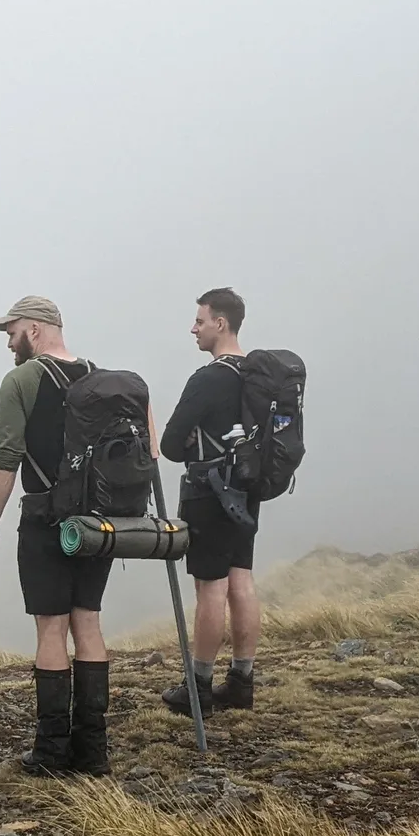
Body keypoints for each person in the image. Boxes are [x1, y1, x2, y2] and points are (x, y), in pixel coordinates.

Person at [0, 295, 150, 775]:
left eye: (11, 332)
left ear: (34, 329)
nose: (9, 343)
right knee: (88, 622)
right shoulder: (102, 380)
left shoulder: (22, 380)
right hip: (99, 524)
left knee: (51, 628)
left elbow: (6, 456)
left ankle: (51, 752)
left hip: (46, 519)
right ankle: (93, 751)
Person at [160, 287, 263, 715]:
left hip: (209, 492)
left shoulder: (209, 378)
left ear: (220, 323)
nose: (194, 328)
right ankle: (241, 680)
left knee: (210, 587)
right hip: (247, 489)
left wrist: (188, 442)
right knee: (241, 580)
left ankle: (198, 685)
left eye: (200, 321)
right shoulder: (256, 376)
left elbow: (169, 443)